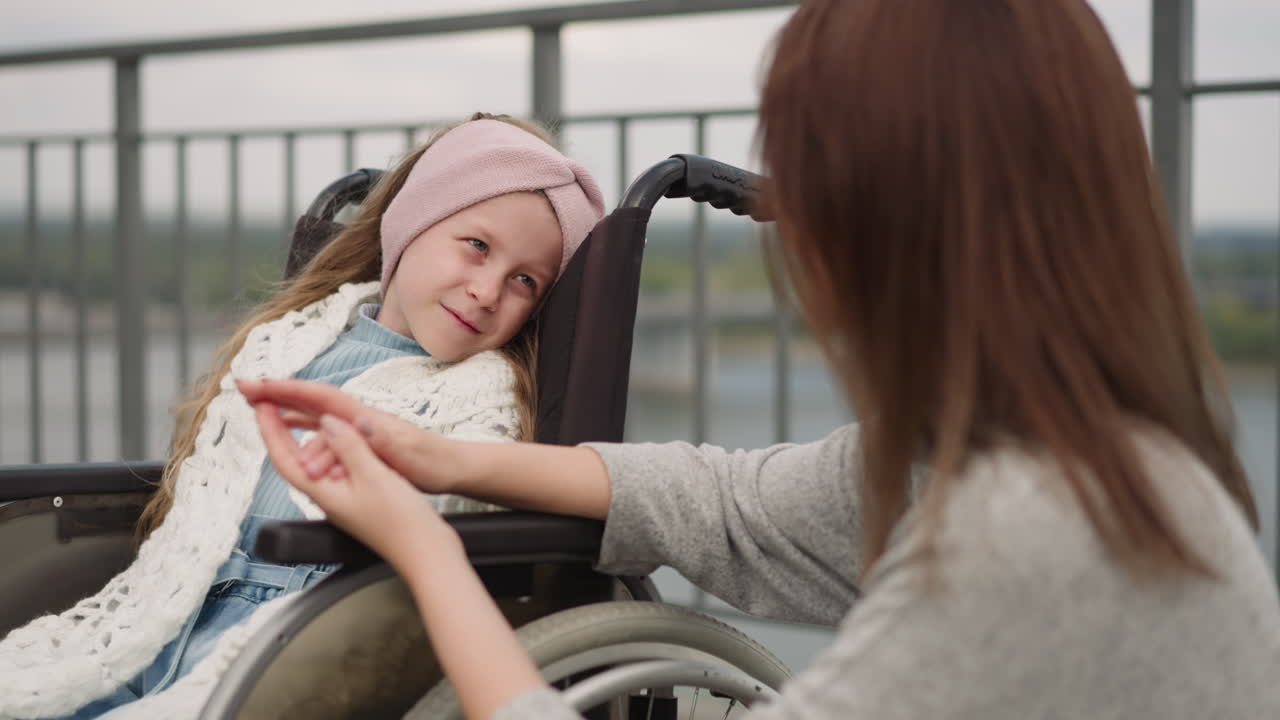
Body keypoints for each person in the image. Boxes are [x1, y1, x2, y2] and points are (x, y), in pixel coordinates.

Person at [246, 0, 1280, 717]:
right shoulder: (1056, 463)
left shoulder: (1034, 543)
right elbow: (725, 502)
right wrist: (445, 463)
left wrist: (424, 551)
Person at [0, 113, 605, 720]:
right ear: (412, 223)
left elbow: (469, 511)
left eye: (525, 281)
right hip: (169, 614)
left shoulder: (484, 388)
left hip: (293, 636)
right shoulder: (293, 338)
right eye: (477, 247)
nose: (487, 289)